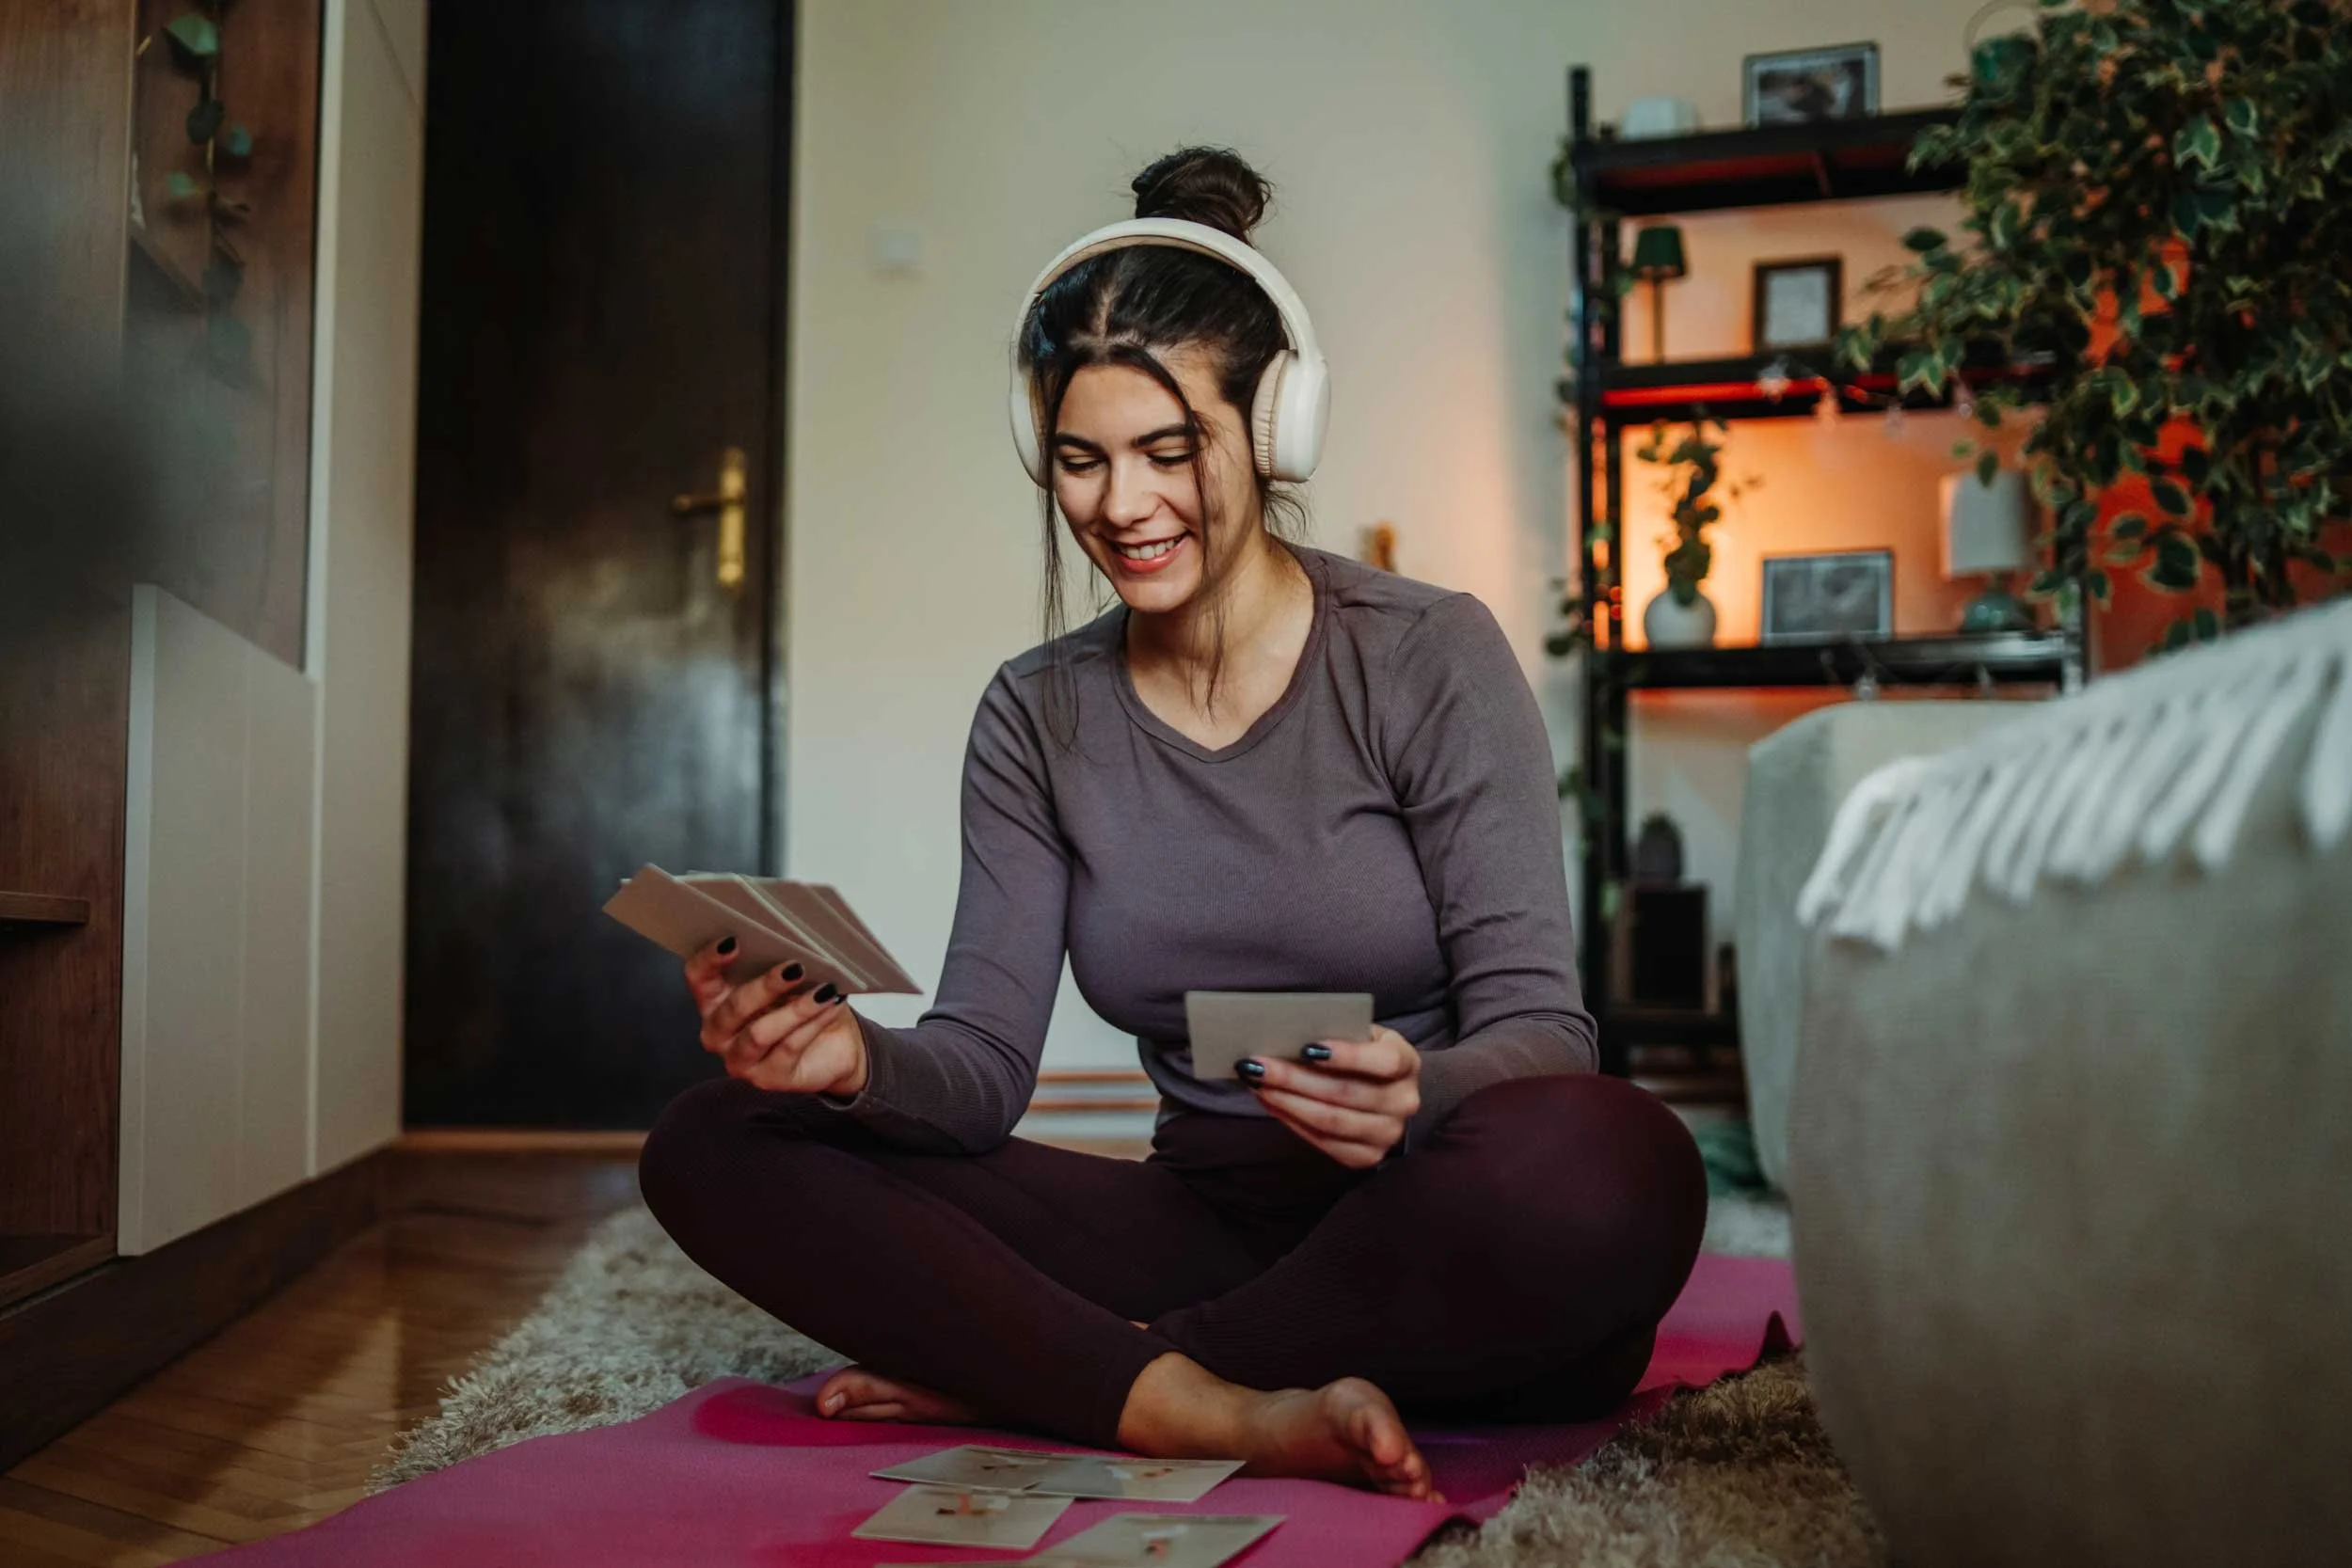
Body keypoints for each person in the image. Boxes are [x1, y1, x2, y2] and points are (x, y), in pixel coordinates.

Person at [639, 146, 1705, 1500]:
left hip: (1431, 1218)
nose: (1123, 506)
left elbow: (1545, 1028)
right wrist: (848, 1058)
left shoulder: (1430, 652)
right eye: (1081, 461)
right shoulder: (1039, 713)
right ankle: (1212, 1402)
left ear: (1269, 430)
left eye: (1169, 449)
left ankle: (1098, 1373)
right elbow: (979, 1068)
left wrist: (1417, 1091)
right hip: (1202, 1220)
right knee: (711, 1140)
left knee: (1618, 1164)